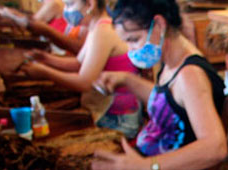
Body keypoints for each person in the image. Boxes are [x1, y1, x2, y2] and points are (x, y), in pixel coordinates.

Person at [91, 0, 228, 170]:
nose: (131, 50)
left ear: (159, 25)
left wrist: (145, 167)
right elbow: (170, 104)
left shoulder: (190, 76)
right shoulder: (171, 64)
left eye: (134, 39)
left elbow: (215, 147)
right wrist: (129, 81)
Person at [18, 0, 141, 138]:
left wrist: (44, 72)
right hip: (107, 112)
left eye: (70, 5)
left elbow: (84, 83)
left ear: (90, 4)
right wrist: (45, 59)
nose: (66, 10)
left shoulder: (103, 31)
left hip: (117, 119)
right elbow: (79, 63)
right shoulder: (97, 27)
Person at [0, 0, 87, 55]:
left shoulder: (54, 3)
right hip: (58, 49)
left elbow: (33, 24)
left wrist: (12, 14)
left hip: (61, 51)